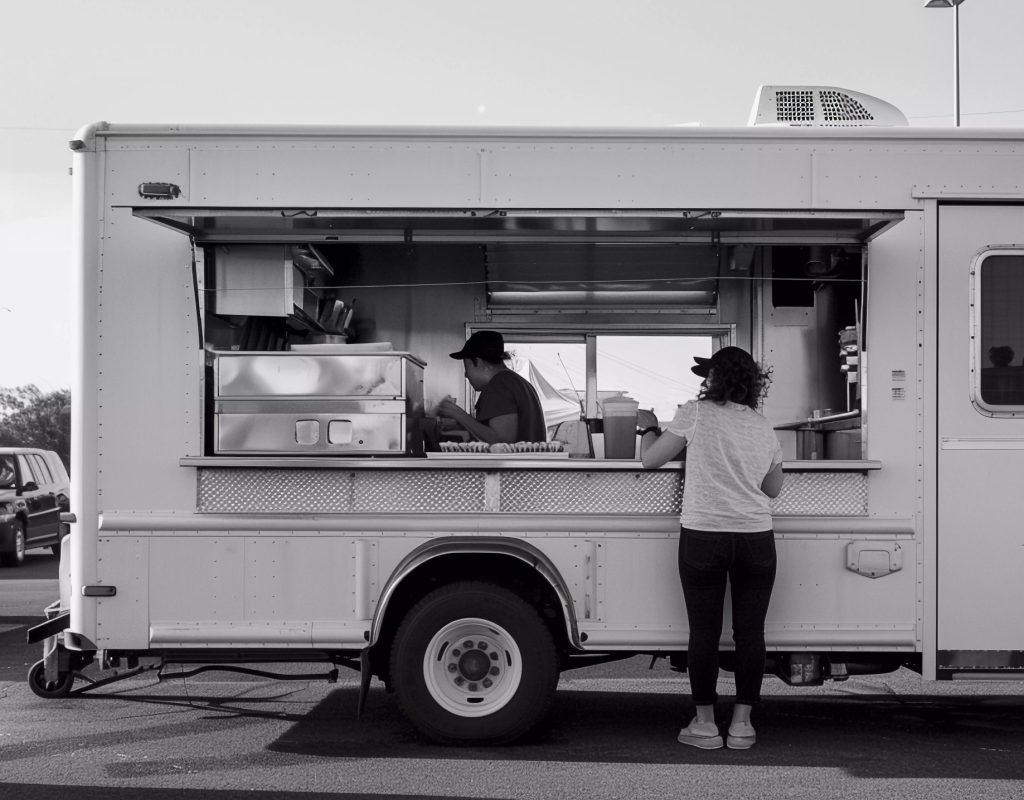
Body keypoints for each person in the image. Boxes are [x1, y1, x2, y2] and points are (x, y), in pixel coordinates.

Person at [639, 346, 783, 750]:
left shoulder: (695, 412)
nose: (703, 382)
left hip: (705, 535)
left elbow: (650, 460)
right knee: (750, 633)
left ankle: (704, 725)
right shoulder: (762, 425)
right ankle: (742, 726)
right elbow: (772, 488)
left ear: (716, 379)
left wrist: (646, 427)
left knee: (704, 632)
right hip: (756, 537)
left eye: (707, 375)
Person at [437, 330, 546, 444]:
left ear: (478, 362)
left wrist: (457, 413)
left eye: (466, 367)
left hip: (513, 462)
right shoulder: (519, 383)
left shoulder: (498, 386)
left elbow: (502, 441)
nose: (466, 375)